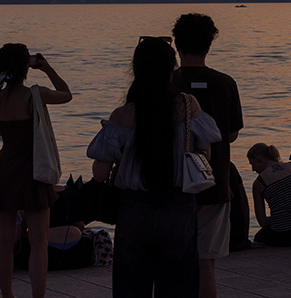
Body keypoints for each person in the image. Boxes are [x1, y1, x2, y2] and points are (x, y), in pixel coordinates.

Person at [88, 36, 221, 297]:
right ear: (171, 72)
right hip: (179, 206)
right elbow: (206, 152)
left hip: (134, 210)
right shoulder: (188, 106)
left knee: (131, 286)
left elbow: (99, 173)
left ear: (136, 72)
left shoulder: (122, 116)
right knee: (179, 285)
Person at [0, 44, 72, 298]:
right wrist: (46, 68)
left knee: (5, 239)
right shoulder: (35, 94)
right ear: (26, 67)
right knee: (39, 241)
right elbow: (66, 94)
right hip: (33, 169)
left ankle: (7, 295)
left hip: (5, 169)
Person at [171, 13, 244, 298]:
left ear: (176, 45)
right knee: (206, 265)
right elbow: (232, 134)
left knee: (172, 261)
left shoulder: (168, 83)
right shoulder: (225, 83)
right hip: (212, 181)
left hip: (172, 183)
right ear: (209, 45)